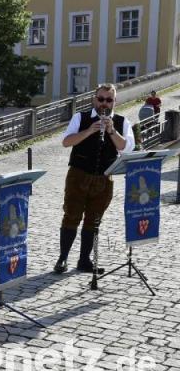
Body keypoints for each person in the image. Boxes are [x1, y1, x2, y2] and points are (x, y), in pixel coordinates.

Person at [54, 84, 135, 275]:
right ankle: (62, 258)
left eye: (109, 100)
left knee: (94, 220)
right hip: (78, 175)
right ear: (94, 99)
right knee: (71, 215)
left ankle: (84, 260)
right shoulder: (80, 117)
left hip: (104, 178)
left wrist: (112, 131)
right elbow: (66, 142)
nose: (104, 103)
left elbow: (126, 149)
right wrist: (90, 130)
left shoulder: (122, 122)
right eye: (101, 99)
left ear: (115, 102)